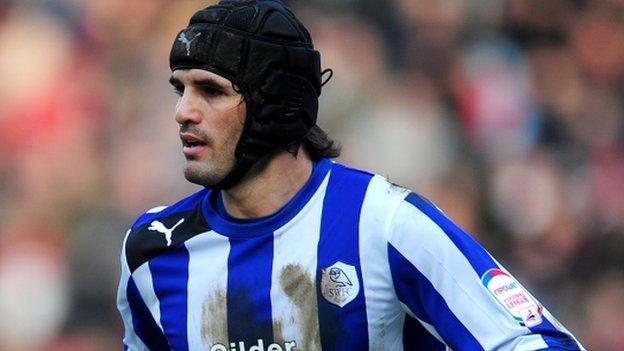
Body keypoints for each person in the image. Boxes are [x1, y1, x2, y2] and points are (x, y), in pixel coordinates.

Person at [116, 1, 585, 350]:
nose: (182, 112)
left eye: (211, 91)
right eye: (180, 89)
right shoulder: (151, 251)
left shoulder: (383, 224)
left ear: (275, 105)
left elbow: (536, 341)